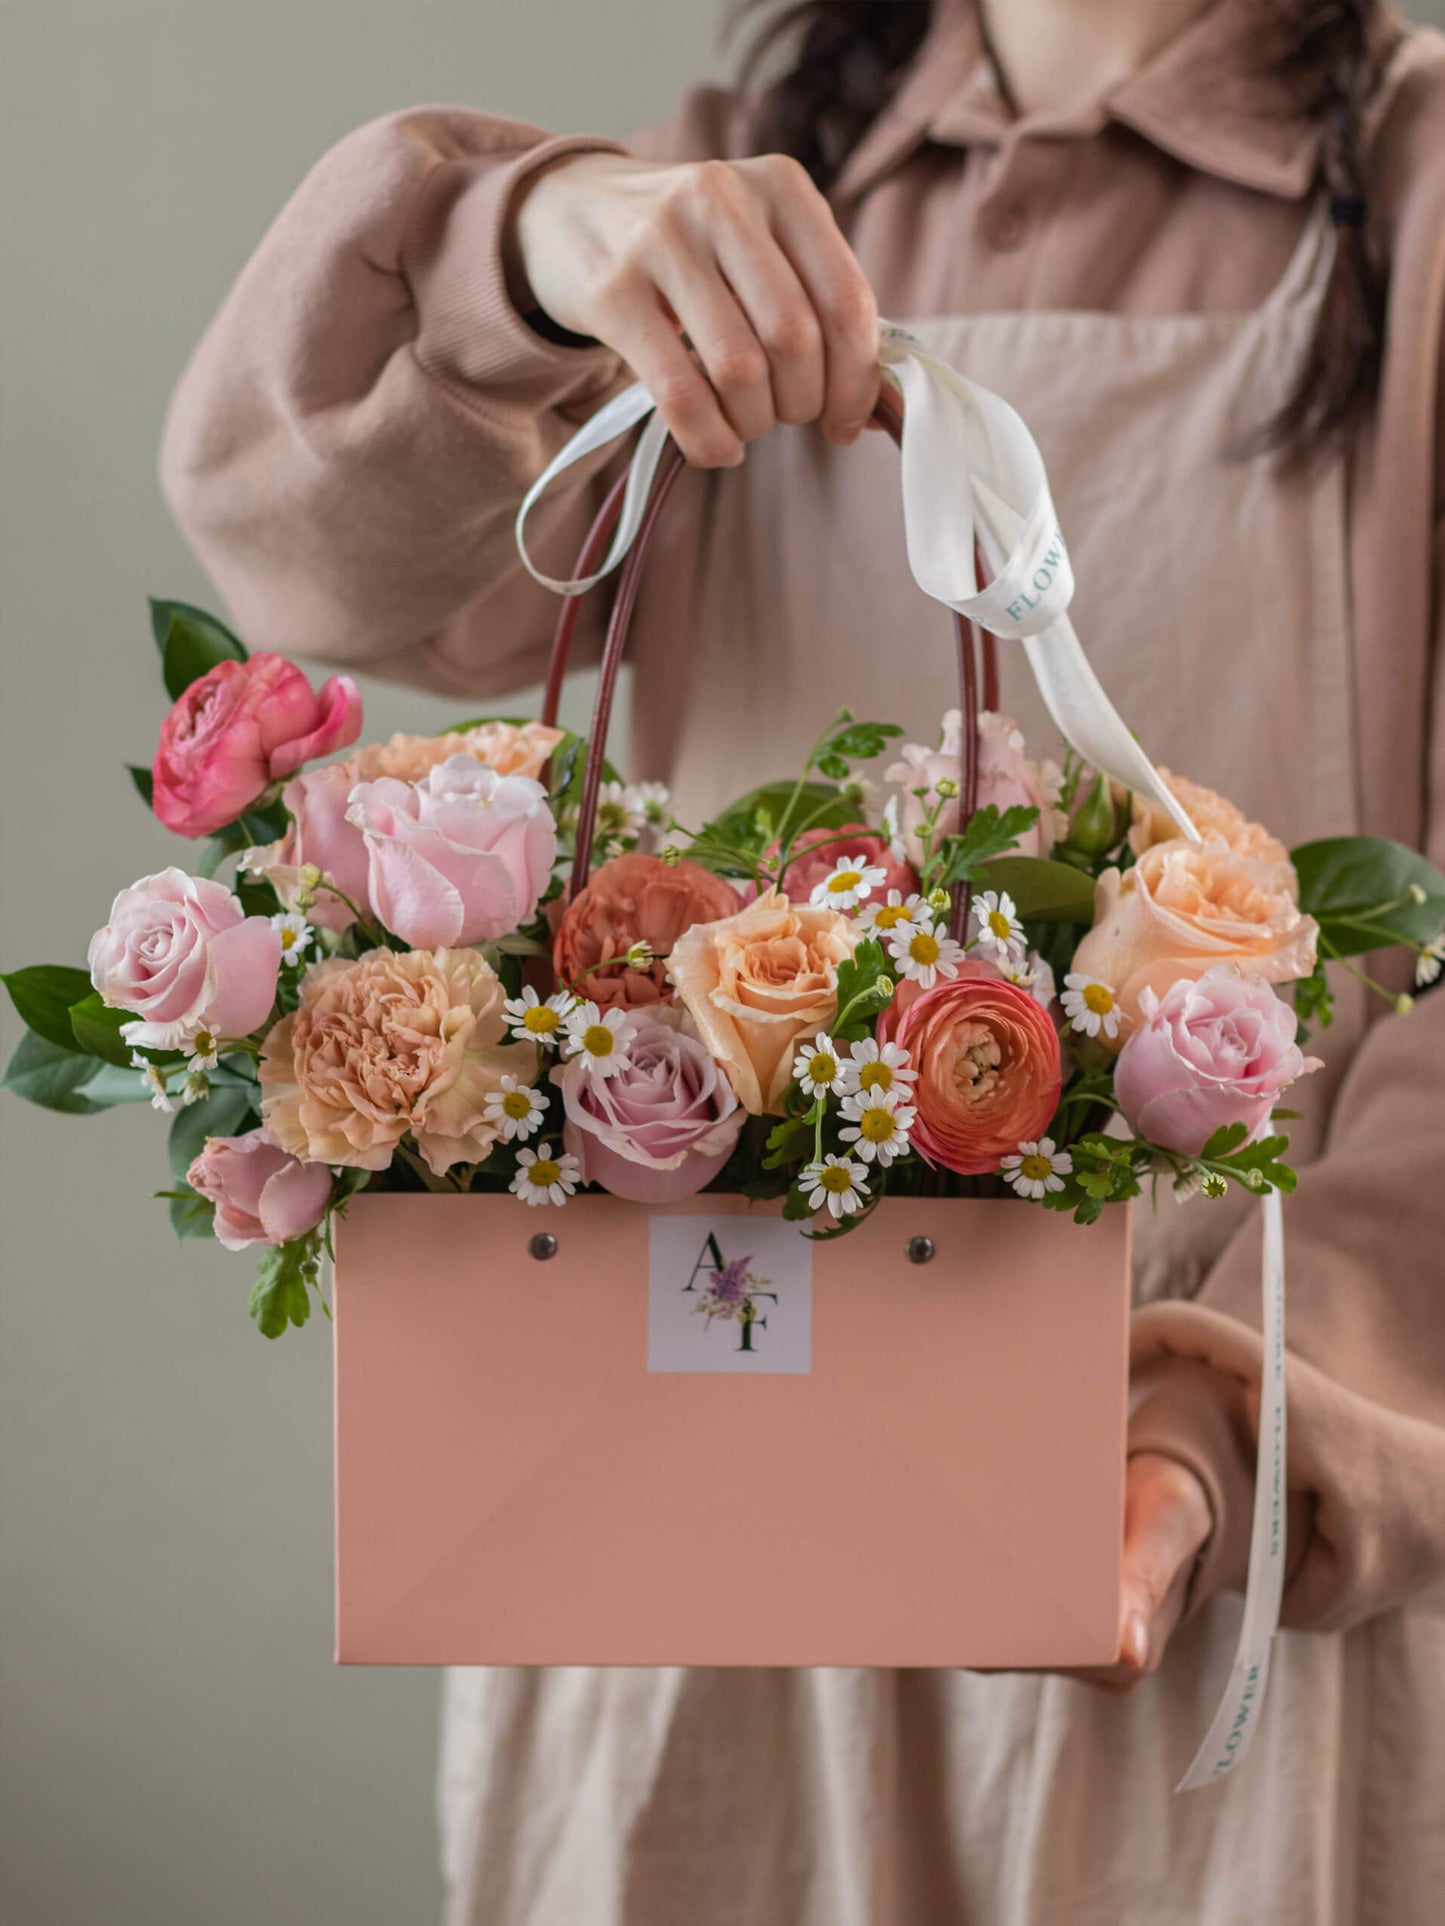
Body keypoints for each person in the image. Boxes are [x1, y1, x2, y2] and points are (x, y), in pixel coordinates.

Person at [160, 1, 1445, 1919]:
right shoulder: (737, 179)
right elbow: (297, 537)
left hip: (1216, 1610)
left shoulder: (1415, 207)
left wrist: (1221, 1424)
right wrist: (535, 241)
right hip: (677, 1595)